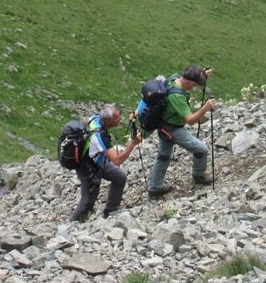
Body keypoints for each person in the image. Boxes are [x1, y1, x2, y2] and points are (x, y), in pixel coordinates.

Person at [147, 65, 216, 197]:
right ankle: (198, 175)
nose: (195, 88)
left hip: (163, 126)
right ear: (188, 82)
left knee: (163, 156)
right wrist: (205, 108)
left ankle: (154, 188)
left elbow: (191, 77)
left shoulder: (175, 79)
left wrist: (202, 74)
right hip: (174, 130)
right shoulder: (177, 97)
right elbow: (190, 120)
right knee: (201, 149)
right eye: (194, 84)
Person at [71, 105, 144, 222]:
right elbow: (117, 160)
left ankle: (111, 211)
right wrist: (132, 144)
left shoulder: (96, 118)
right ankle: (73, 225)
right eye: (116, 118)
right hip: (87, 168)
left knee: (119, 177)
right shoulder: (99, 136)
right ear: (108, 121)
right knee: (87, 201)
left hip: (97, 161)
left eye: (119, 115)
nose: (120, 118)